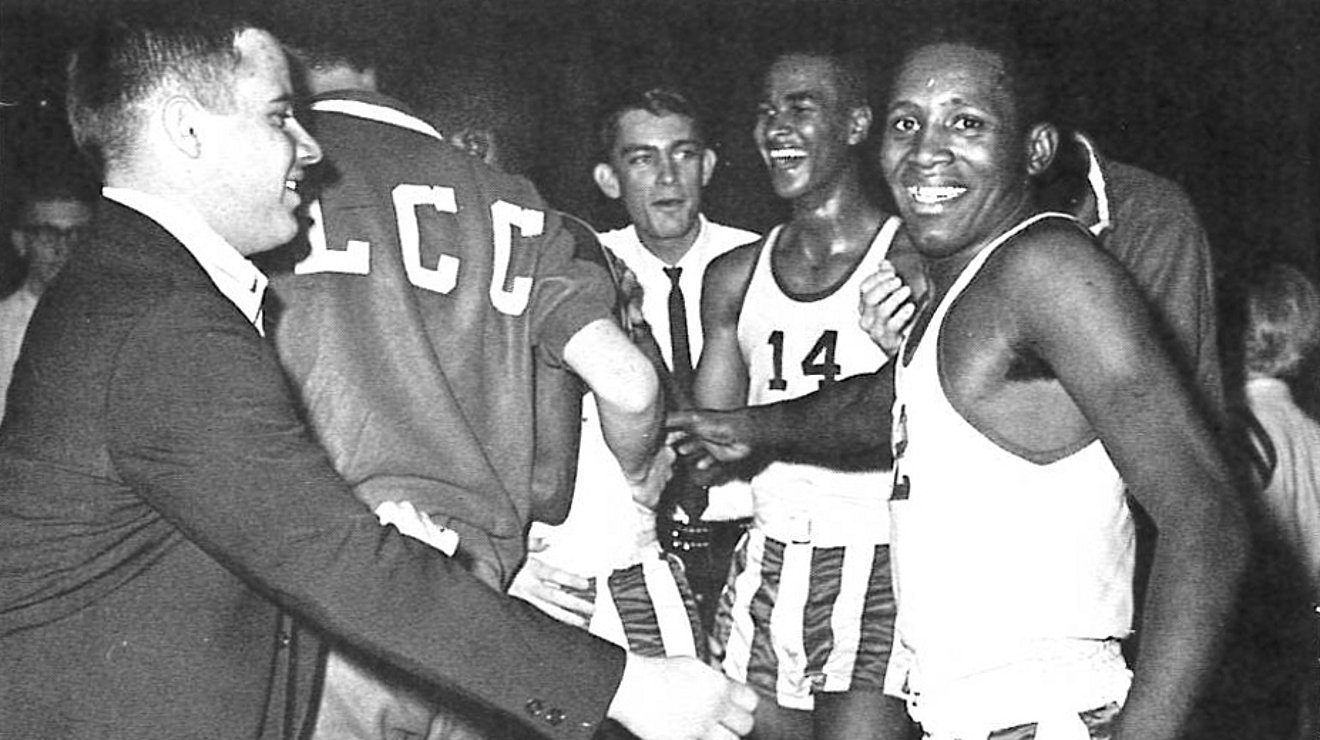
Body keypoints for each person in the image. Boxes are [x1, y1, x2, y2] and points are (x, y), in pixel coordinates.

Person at [0, 12, 756, 740]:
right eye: (279, 117)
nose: (309, 146)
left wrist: (392, 545)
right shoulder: (167, 319)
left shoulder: (137, 285)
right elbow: (332, 559)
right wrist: (629, 687)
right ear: (186, 131)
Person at [266, 34, 737, 740]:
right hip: (488, 599)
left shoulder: (269, 188)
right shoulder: (526, 213)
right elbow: (623, 395)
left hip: (338, 590)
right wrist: (642, 474)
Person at [866, 31, 1244, 740]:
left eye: (965, 122)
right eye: (906, 122)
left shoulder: (1047, 267)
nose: (925, 150)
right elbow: (878, 405)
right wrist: (743, 426)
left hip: (1049, 717)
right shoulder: (968, 286)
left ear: (1035, 150)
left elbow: (1208, 515)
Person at [694, 51, 912, 740]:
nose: (776, 126)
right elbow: (711, 446)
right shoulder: (733, 277)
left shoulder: (912, 260)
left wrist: (907, 354)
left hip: (881, 556)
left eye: (800, 106)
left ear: (856, 125)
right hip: (769, 558)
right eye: (766, 110)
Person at [516, 87, 760, 654]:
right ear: (609, 179)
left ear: (709, 165)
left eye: (684, 154)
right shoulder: (577, 266)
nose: (668, 177)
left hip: (744, 539)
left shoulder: (764, 261)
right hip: (640, 539)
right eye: (643, 159)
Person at [0, 175, 94, 420]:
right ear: (21, 242)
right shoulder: (3, 327)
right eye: (48, 233)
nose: (63, 248)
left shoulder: (121, 321)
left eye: (77, 234)